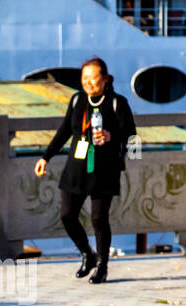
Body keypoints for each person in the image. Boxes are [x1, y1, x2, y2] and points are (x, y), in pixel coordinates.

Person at [33, 57, 137, 285]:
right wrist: (45, 157)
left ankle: (102, 266)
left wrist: (112, 137)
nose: (88, 82)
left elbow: (133, 138)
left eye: (93, 78)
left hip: (104, 169)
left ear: (106, 79)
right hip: (77, 167)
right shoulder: (77, 100)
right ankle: (87, 254)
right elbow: (63, 132)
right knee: (67, 215)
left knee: (99, 219)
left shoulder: (117, 103)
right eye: (84, 78)